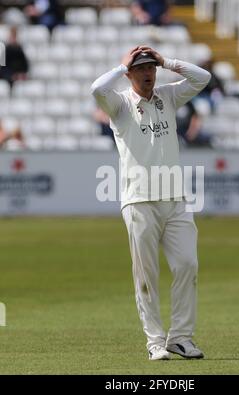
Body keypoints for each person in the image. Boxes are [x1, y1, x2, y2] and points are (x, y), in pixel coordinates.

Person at [91, 45, 211, 360]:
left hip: (176, 199)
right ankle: (155, 342)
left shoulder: (168, 97)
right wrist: (122, 65)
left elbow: (203, 78)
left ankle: (180, 338)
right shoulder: (118, 103)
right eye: (141, 69)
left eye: (151, 68)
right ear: (130, 73)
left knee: (187, 264)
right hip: (138, 200)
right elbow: (96, 88)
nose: (148, 74)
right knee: (146, 275)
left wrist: (167, 61)